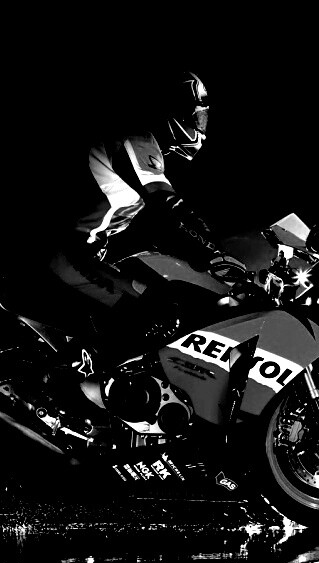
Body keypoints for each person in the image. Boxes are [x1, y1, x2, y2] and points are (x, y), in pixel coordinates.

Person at [46, 71, 249, 353]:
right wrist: (216, 254)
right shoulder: (136, 139)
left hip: (81, 254)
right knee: (153, 314)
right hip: (66, 254)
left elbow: (157, 225)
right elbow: (168, 206)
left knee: (158, 297)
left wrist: (198, 254)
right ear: (175, 111)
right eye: (198, 116)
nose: (201, 127)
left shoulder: (135, 146)